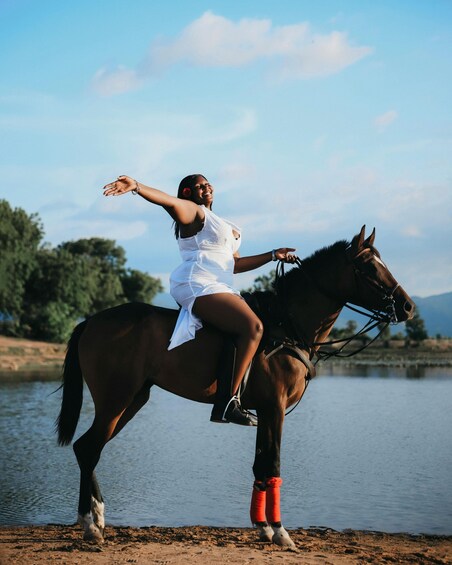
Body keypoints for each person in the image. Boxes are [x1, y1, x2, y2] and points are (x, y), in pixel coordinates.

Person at [103, 174, 296, 426]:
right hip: (197, 282)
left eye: (207, 184)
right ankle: (227, 403)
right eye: (199, 186)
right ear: (188, 193)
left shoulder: (222, 223)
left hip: (220, 285)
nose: (206, 187)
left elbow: (235, 264)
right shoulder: (194, 212)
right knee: (253, 327)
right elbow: (168, 201)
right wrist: (137, 187)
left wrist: (272, 255)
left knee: (244, 328)